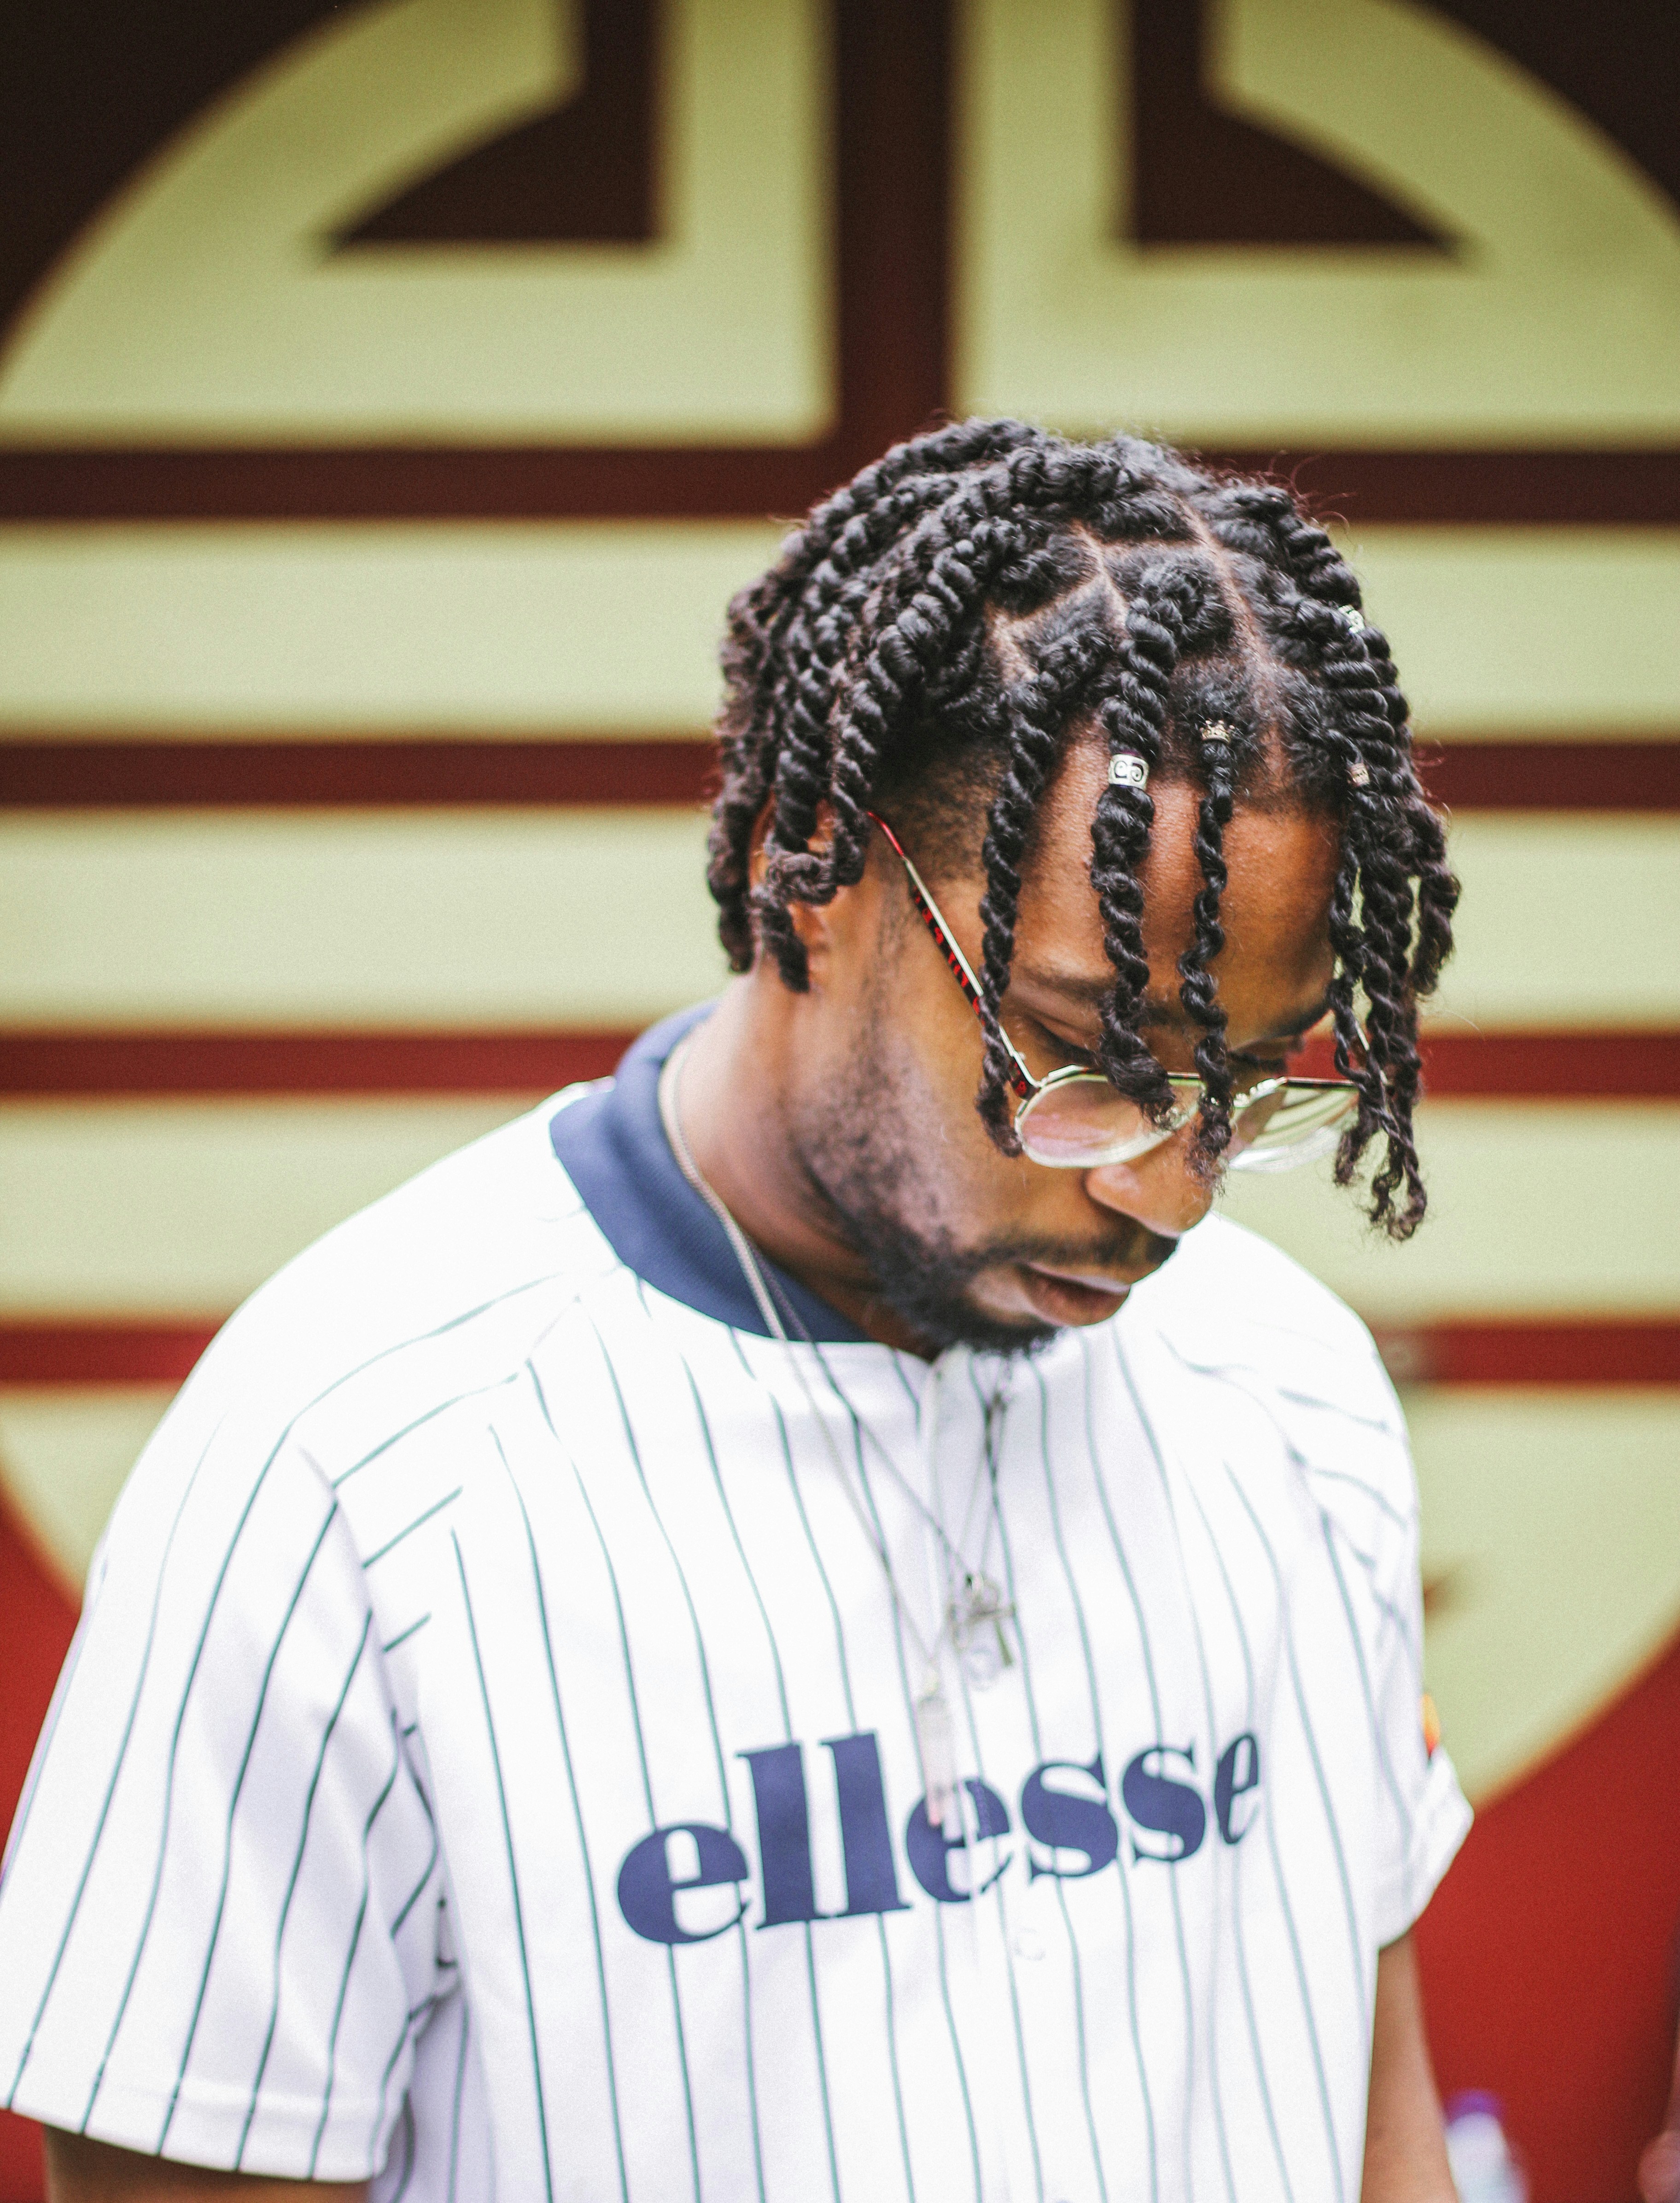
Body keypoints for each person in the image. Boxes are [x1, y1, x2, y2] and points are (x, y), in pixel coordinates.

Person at [0, 421, 1471, 2202]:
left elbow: (1370, 2086)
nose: (1170, 1194)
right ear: (814, 865)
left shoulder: (1292, 1389)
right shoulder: (350, 1474)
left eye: (1247, 1079)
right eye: (1089, 1059)